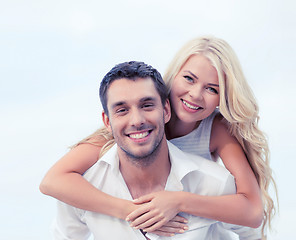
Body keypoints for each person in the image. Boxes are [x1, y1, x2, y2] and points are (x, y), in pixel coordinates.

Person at [40, 36, 277, 238]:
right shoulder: (125, 131)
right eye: (189, 79)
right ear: (172, 77)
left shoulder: (215, 130)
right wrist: (131, 211)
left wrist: (178, 201)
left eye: (212, 89)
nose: (195, 95)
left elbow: (252, 212)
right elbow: (53, 181)